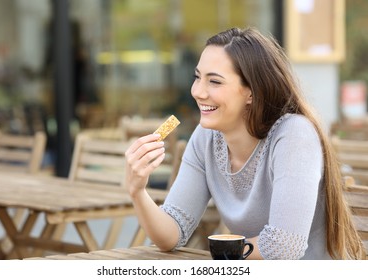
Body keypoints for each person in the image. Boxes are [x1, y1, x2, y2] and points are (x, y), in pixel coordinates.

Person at [124, 27, 365, 260]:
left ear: (251, 92)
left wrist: (221, 259)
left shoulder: (294, 135)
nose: (198, 91)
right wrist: (138, 190)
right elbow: (171, 234)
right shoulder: (205, 138)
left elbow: (284, 246)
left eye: (214, 82)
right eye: (197, 77)